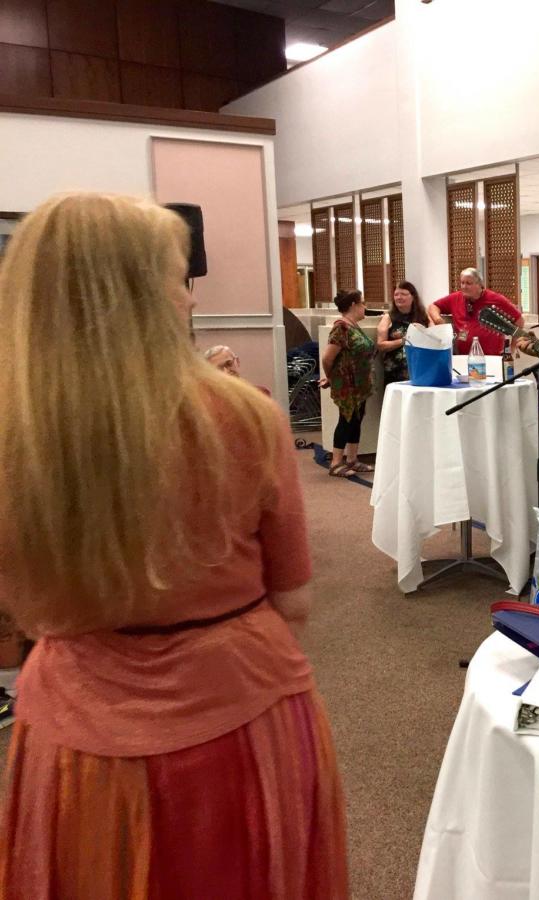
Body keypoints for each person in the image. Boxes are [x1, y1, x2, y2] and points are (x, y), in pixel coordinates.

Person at [0, 193, 347, 896]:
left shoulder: (16, 431)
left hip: (73, 732)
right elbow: (294, 602)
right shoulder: (246, 416)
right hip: (240, 716)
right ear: (143, 294)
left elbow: (17, 621)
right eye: (178, 278)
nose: (191, 300)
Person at [320, 289, 375, 477]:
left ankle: (352, 459)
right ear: (353, 305)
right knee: (346, 420)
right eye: (363, 303)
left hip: (360, 384)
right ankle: (336, 462)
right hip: (347, 384)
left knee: (356, 420)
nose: (365, 307)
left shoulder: (354, 326)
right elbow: (327, 358)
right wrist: (331, 377)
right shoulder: (341, 327)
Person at [427, 267, 524, 354]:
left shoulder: (496, 299)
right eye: (462, 283)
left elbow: (519, 321)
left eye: (468, 283)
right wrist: (438, 320)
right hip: (463, 357)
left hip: (492, 358)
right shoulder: (455, 298)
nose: (464, 286)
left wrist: (512, 348)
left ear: (480, 285)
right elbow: (433, 307)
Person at [375, 280, 429, 386]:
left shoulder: (423, 316)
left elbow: (434, 336)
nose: (399, 297)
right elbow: (381, 345)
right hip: (396, 373)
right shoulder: (388, 318)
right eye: (396, 294)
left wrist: (423, 332)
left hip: (421, 369)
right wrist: (404, 340)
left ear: (413, 297)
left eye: (403, 294)